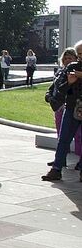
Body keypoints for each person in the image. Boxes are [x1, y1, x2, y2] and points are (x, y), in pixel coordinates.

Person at [42, 40, 82, 182]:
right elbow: (61, 88)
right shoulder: (71, 67)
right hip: (71, 107)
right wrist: (70, 82)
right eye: (79, 54)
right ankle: (57, 169)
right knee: (64, 138)